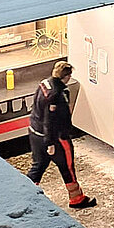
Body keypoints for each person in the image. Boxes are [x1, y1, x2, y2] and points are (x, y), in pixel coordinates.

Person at [25, 62, 97, 209]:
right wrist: (50, 143)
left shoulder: (44, 84)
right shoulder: (59, 93)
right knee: (67, 168)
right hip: (55, 138)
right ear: (67, 76)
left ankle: (25, 194)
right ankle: (77, 199)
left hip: (35, 132)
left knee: (38, 166)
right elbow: (50, 119)